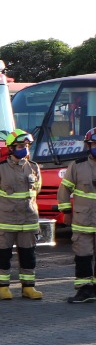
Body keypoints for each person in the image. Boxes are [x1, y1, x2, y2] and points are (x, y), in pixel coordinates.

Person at [0, 129, 43, 300]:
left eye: (26, 146)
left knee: (28, 255)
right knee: (4, 254)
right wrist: (8, 205)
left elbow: (37, 190)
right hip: (6, 221)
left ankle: (28, 287)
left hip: (28, 219)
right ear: (11, 148)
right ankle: (4, 287)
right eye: (20, 146)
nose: (24, 149)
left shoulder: (33, 167)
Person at [59, 127, 96, 304]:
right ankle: (84, 290)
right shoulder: (78, 165)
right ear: (88, 146)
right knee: (83, 255)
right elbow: (64, 189)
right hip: (83, 221)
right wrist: (66, 212)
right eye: (95, 144)